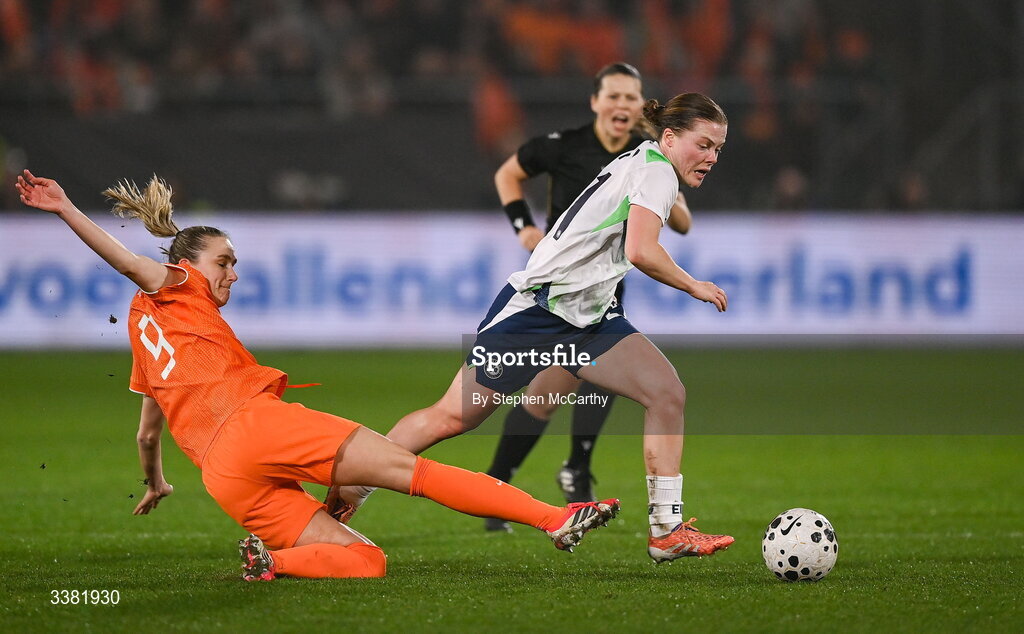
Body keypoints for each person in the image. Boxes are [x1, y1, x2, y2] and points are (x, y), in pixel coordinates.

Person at [14, 169, 620, 581]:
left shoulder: (148, 340)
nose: (231, 274)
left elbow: (148, 435)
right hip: (255, 425)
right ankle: (554, 518)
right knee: (415, 471)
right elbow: (125, 259)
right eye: (223, 261)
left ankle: (271, 563)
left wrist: (156, 484)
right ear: (184, 264)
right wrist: (65, 206)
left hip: (223, 476)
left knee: (367, 564)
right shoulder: (174, 284)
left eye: (235, 264)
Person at [334, 93, 736, 562]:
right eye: (703, 145)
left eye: (718, 150)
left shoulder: (649, 161)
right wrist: (694, 285)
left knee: (666, 393)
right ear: (670, 137)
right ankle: (350, 487)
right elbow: (640, 250)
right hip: (537, 313)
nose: (710, 157)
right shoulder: (656, 171)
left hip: (588, 315)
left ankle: (666, 530)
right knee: (454, 416)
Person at [485, 62, 694, 530]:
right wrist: (524, 227)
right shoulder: (564, 146)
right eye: (613, 96)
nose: (622, 105)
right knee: (541, 394)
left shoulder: (650, 156)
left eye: (631, 97)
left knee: (600, 379)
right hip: (559, 287)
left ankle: (571, 470)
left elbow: (682, 223)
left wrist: (673, 187)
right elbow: (507, 175)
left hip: (604, 287)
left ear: (643, 105)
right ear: (596, 102)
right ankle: (505, 478)